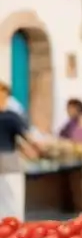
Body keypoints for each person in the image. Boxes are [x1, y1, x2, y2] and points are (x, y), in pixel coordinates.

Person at [0, 82, 42, 220]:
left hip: (7, 159)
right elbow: (28, 138)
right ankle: (14, 231)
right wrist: (39, 149)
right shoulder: (11, 116)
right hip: (8, 162)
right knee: (13, 201)